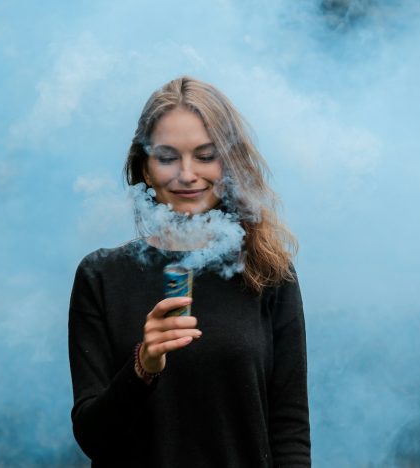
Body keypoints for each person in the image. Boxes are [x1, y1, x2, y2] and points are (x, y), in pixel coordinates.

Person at [68, 76, 311, 467]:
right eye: (167, 157)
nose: (187, 173)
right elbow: (94, 438)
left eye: (205, 155)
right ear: (145, 169)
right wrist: (142, 367)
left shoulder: (268, 272)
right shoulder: (101, 277)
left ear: (228, 164)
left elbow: (290, 430)